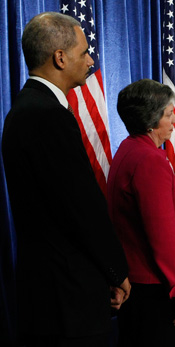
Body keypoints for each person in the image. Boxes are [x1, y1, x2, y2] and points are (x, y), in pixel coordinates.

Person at [2, 12, 130, 346]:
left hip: (46, 292)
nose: (90, 60)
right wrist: (116, 271)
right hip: (68, 298)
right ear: (60, 57)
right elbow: (79, 207)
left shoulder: (25, 108)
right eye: (85, 51)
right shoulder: (47, 116)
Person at [107, 79, 175, 346]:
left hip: (137, 284)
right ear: (151, 120)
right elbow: (162, 234)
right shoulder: (149, 160)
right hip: (156, 288)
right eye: (169, 114)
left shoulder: (128, 149)